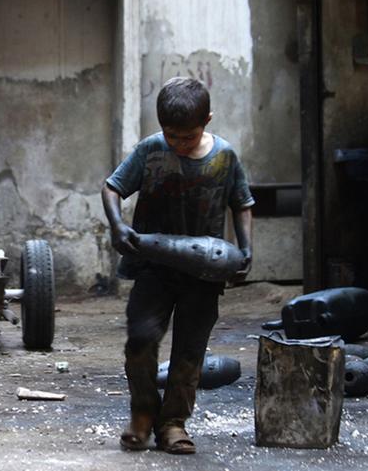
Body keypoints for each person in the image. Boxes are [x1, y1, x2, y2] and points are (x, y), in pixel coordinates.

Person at [101, 77, 254, 454]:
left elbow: (243, 203)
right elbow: (111, 187)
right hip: (152, 270)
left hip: (202, 276)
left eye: (188, 137)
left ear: (208, 121)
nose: (180, 144)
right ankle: (142, 414)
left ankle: (173, 424)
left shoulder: (225, 156)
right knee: (140, 340)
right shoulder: (151, 150)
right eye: (172, 136)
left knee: (189, 353)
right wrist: (118, 225)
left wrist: (246, 248)